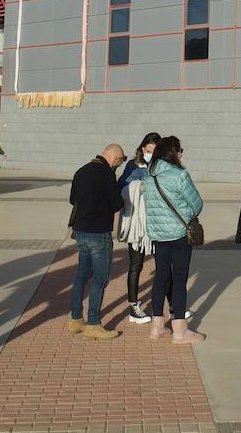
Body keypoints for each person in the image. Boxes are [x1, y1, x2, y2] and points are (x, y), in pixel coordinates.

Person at [144, 136, 205, 343]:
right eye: (180, 150)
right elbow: (197, 204)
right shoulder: (179, 175)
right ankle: (179, 330)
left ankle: (156, 327)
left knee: (160, 278)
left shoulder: (149, 176)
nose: (181, 153)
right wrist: (185, 213)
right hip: (178, 234)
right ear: (174, 152)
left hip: (158, 235)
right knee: (179, 280)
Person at [69, 144, 126, 340]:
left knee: (81, 275)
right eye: (119, 162)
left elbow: (72, 199)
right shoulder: (106, 174)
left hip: (81, 231)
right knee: (100, 279)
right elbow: (117, 203)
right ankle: (93, 322)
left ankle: (76, 318)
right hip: (99, 233)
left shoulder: (81, 171)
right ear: (115, 159)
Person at [117, 132, 160, 323]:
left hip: (157, 223)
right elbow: (120, 189)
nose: (150, 154)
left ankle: (175, 306)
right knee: (136, 266)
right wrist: (137, 187)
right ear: (143, 148)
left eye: (154, 151)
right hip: (137, 224)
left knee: (164, 266)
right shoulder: (132, 165)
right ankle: (134, 306)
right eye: (148, 150)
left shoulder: (161, 165)